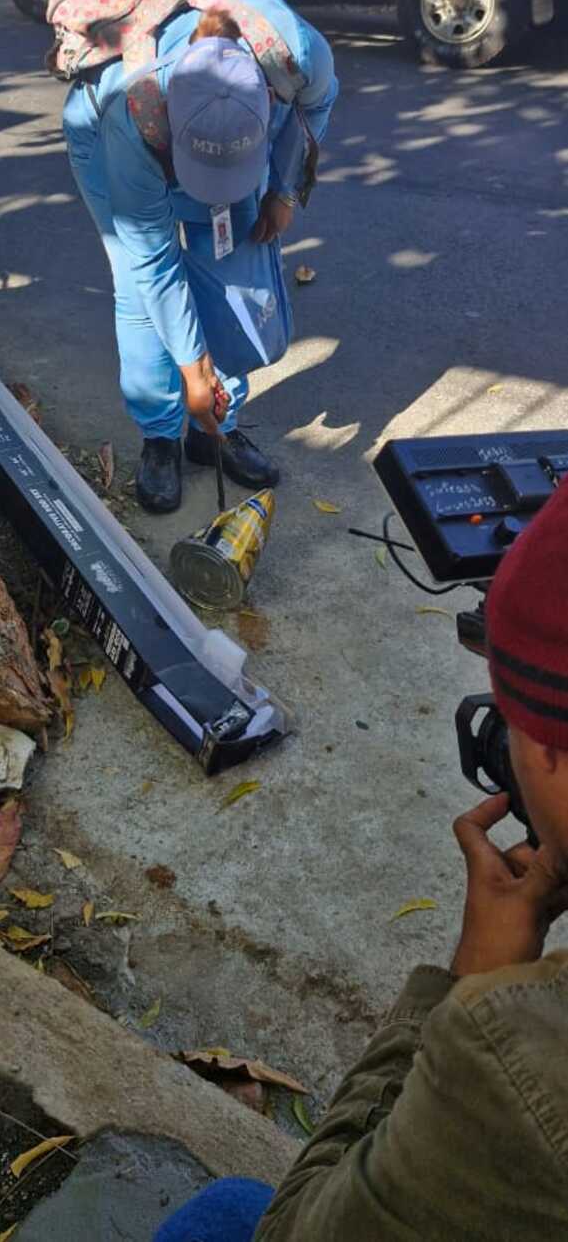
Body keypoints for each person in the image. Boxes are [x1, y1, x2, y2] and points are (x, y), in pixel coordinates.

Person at [154, 470, 568, 1241]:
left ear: (545, 748)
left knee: (224, 1215)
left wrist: (467, 983)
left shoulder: (516, 1053)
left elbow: (298, 1230)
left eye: (509, 718)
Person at [63, 0, 337, 513]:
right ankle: (161, 436)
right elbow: (156, 266)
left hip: (219, 146)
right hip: (106, 141)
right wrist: (193, 371)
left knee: (232, 277)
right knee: (140, 295)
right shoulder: (133, 119)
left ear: (268, 99)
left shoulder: (296, 55)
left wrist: (283, 189)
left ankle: (218, 427)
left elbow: (318, 104)